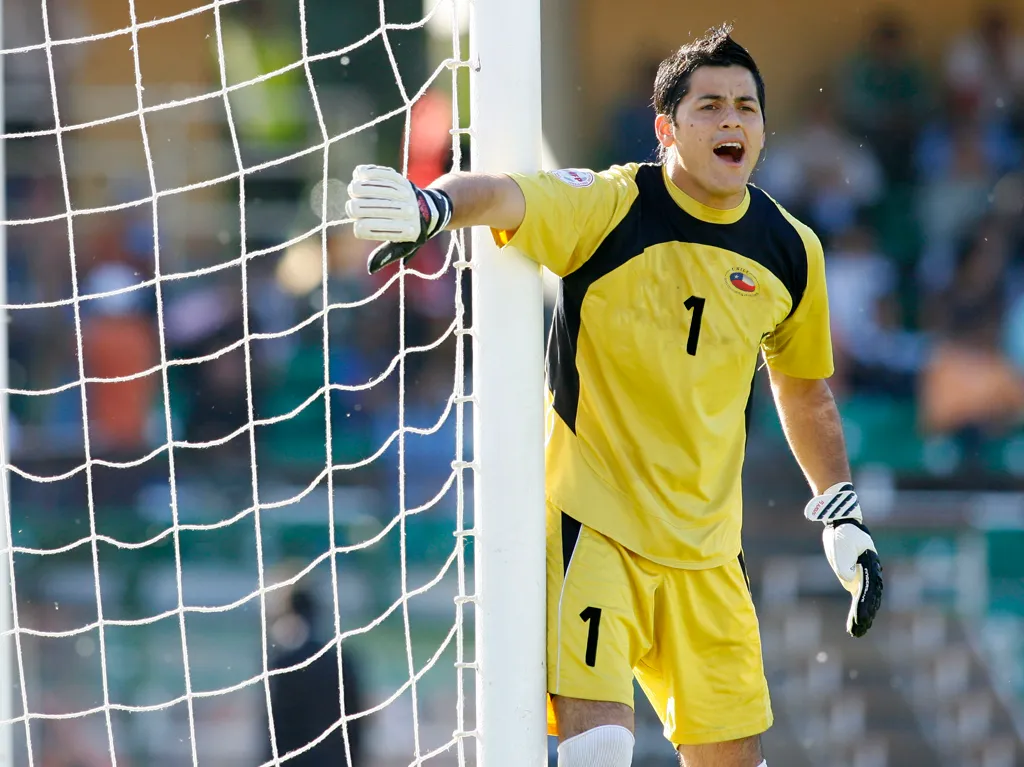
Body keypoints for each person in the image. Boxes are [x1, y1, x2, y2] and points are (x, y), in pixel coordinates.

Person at [345, 25, 883, 767]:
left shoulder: (792, 248)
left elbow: (803, 388)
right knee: (598, 750)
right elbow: (502, 195)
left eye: (747, 108)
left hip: (709, 555)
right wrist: (430, 207)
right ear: (666, 127)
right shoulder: (608, 204)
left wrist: (840, 510)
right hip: (593, 532)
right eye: (710, 107)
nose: (733, 121)